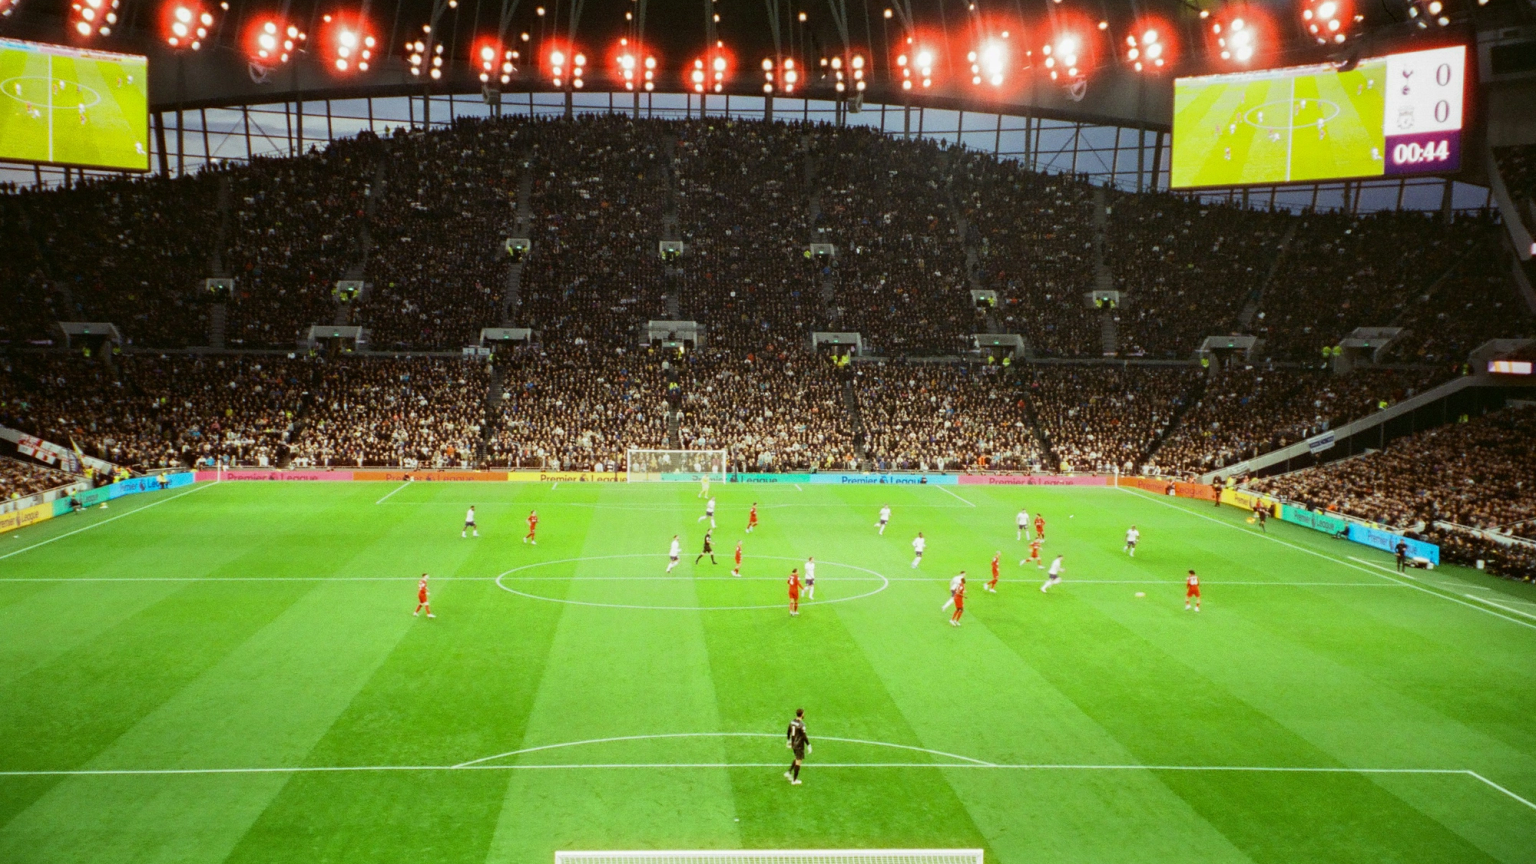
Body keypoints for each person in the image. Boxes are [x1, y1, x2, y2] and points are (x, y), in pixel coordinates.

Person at [785, 708, 810, 784]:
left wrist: (789, 740)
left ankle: (788, 772)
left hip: (793, 744)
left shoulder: (792, 722)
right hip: (799, 745)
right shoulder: (801, 725)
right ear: (802, 714)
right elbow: (804, 736)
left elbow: (788, 731)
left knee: (797, 758)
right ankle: (794, 780)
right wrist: (809, 745)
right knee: (799, 761)